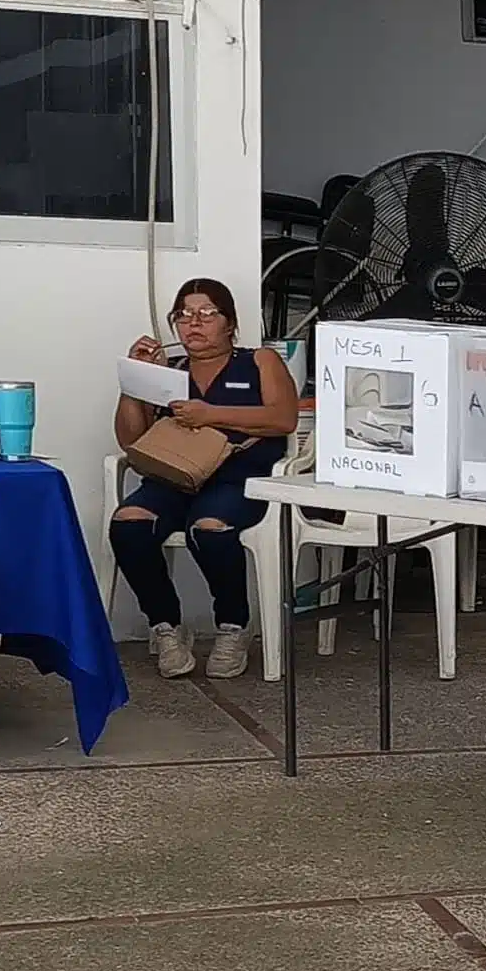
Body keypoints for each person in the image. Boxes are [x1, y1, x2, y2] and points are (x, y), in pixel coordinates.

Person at [111, 275, 298, 680]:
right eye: (184, 315)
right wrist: (134, 380)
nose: (194, 322)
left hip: (240, 478)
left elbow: (283, 419)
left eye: (207, 313)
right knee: (128, 524)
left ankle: (233, 626)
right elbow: (132, 440)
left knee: (209, 528)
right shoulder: (171, 370)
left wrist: (210, 414)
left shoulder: (258, 361)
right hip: (175, 476)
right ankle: (166, 626)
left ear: (229, 322)